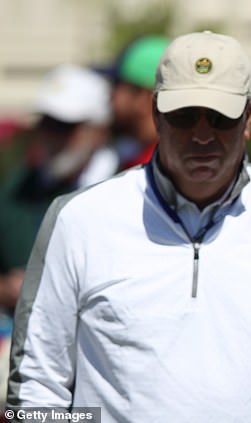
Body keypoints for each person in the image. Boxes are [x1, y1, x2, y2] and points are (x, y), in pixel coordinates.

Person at [8, 31, 251, 422]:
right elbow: (37, 383)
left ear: (248, 118)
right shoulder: (79, 218)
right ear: (156, 116)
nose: (202, 134)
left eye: (221, 117)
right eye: (184, 116)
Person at [0, 63, 112, 407]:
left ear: (98, 130)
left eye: (66, 126)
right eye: (48, 123)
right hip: (25, 355)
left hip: (98, 368)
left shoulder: (126, 191)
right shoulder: (18, 187)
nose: (52, 136)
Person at [102, 35, 169, 170]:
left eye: (116, 85)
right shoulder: (139, 157)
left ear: (144, 97)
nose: (109, 96)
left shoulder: (155, 169)